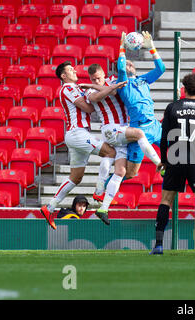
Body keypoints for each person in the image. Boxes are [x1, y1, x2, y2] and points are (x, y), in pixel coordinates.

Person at [39, 61, 123, 229]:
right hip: (78, 133)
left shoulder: (75, 88)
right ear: (64, 76)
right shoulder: (68, 88)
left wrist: (96, 92)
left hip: (77, 134)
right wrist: (105, 92)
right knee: (111, 152)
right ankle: (99, 193)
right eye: (70, 69)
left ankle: (49, 207)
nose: (74, 71)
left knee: (75, 178)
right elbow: (88, 108)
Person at [149, 72, 195, 255]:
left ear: (184, 88)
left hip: (175, 158)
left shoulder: (172, 107)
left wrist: (164, 160)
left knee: (166, 200)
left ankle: (158, 245)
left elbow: (164, 138)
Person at [83, 63, 163, 224]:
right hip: (110, 129)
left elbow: (119, 87)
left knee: (121, 172)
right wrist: (94, 86)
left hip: (122, 131)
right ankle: (160, 165)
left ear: (103, 74)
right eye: (93, 79)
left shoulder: (114, 81)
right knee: (140, 133)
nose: (96, 81)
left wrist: (109, 85)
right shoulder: (89, 90)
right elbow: (97, 97)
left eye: (98, 78)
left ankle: (103, 207)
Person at [116, 31, 164, 179]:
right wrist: (122, 48)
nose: (129, 64)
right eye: (127, 63)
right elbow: (122, 68)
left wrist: (152, 48)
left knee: (178, 145)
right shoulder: (123, 84)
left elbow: (161, 69)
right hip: (139, 129)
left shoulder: (143, 79)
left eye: (131, 63)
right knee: (131, 173)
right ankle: (104, 191)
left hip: (155, 126)